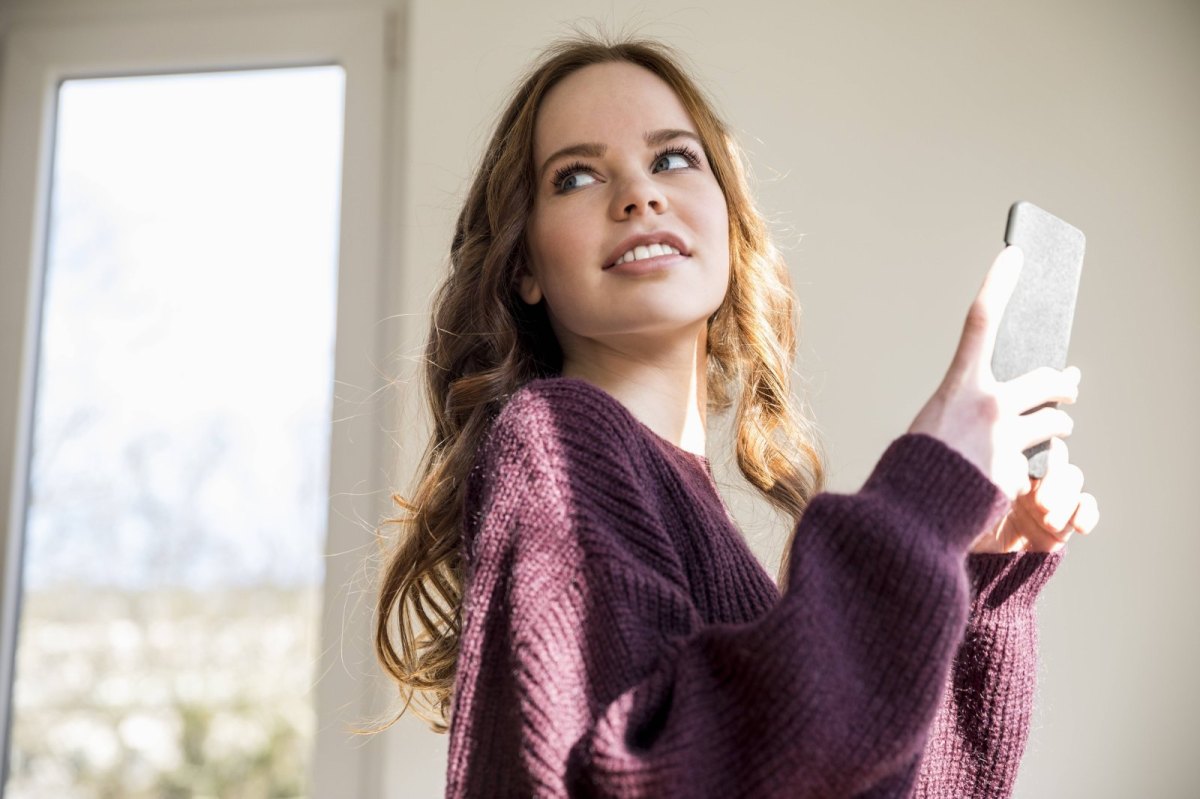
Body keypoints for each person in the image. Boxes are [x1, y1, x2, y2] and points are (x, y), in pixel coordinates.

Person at [374, 31, 1100, 798]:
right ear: (525, 265)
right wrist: (921, 494)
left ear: (729, 219)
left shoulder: (699, 532)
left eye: (673, 159)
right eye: (578, 174)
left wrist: (983, 573)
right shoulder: (554, 439)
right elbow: (638, 778)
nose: (638, 194)